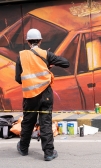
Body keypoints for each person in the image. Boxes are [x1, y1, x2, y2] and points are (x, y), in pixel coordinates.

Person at [15, 28, 69, 161]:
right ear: (40, 41)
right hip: (45, 95)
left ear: (28, 42)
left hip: (30, 96)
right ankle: (49, 153)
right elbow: (66, 63)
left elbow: (18, 79)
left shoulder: (21, 56)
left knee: (28, 122)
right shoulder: (46, 54)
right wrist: (48, 63)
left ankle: (23, 149)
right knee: (45, 122)